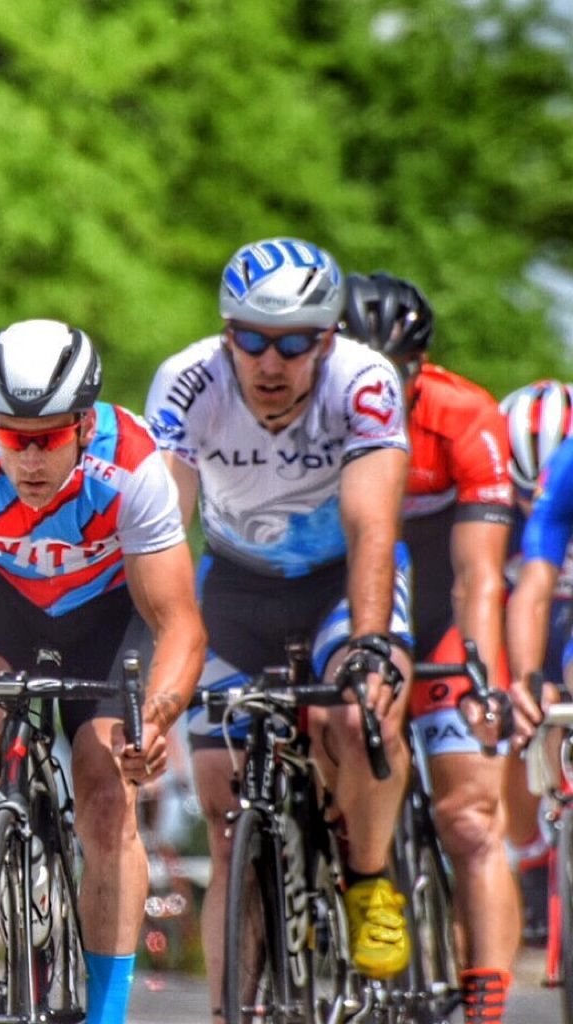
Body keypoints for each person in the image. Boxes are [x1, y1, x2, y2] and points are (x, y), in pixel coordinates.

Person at [145, 237, 414, 1020]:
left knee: (353, 713)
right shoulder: (188, 382)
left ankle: (366, 876)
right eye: (252, 338)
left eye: (295, 342)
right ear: (227, 330)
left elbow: (371, 526)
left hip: (339, 586)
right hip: (235, 588)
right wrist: (159, 648)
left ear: (327, 339)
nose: (271, 361)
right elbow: (163, 524)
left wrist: (369, 646)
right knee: (227, 814)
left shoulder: (365, 382)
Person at [0, 318, 206, 1024]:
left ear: (84, 424)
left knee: (107, 792)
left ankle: (107, 1012)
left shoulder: (136, 467)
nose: (28, 457)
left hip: (109, 621)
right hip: (3, 612)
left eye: (47, 436)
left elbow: (179, 623)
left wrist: (159, 720)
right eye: (12, 435)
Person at [343, 272, 519, 1020]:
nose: (381, 384)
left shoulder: (466, 415)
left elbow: (480, 574)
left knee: (471, 818)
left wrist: (479, 673)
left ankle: (485, 999)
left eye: (399, 371)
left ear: (423, 366)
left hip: (445, 606)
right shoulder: (315, 416)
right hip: (358, 597)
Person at [503, 382, 573, 941]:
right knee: (517, 713)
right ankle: (527, 855)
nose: (530, 497)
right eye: (519, 488)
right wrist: (524, 683)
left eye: (539, 488)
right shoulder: (498, 507)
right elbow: (526, 592)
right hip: (534, 614)